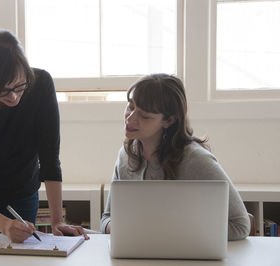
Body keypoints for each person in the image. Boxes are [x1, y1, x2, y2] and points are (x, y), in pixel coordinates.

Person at [0, 30, 88, 249]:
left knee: (22, 258)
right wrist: (4, 225)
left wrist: (57, 220)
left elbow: (49, 159)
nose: (13, 97)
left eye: (19, 86)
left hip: (21, 193)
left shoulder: (41, 85)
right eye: (2, 90)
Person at [100, 73, 250, 241]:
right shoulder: (126, 155)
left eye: (144, 116)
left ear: (169, 120)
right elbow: (107, 217)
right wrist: (120, 228)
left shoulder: (196, 160)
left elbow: (240, 225)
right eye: (131, 106)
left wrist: (168, 236)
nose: (130, 118)